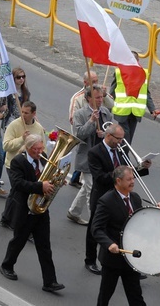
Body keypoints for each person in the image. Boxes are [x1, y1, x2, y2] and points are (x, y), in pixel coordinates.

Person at [0, 135, 64, 293]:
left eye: (41, 148)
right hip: (24, 209)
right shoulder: (18, 162)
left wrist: (58, 181)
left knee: (44, 246)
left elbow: (50, 177)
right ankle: (6, 265)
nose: (39, 152)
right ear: (27, 148)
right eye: (35, 150)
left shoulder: (43, 158)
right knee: (19, 241)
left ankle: (50, 281)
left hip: (41, 209)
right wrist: (40, 186)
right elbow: (17, 184)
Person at [87, 122, 151, 276]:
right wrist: (119, 175)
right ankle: (90, 260)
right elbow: (100, 177)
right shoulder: (95, 152)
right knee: (95, 228)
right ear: (108, 136)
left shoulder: (121, 151)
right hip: (102, 196)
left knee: (123, 228)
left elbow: (127, 174)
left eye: (122, 139)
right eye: (118, 139)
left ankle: (128, 263)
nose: (121, 142)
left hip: (120, 195)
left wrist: (141, 168)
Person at [92, 165, 157, 305]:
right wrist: (109, 244)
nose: (132, 182)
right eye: (129, 179)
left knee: (136, 296)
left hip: (131, 258)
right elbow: (96, 229)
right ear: (118, 181)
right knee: (105, 295)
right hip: (113, 259)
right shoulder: (106, 201)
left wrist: (158, 209)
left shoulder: (135, 198)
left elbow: (140, 222)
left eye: (133, 178)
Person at [69, 85, 112, 234]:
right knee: (91, 191)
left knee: (87, 187)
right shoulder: (80, 114)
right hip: (87, 158)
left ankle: (74, 212)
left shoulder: (106, 113)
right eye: (97, 97)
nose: (100, 100)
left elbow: (110, 134)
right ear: (88, 98)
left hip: (101, 158)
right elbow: (78, 134)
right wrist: (91, 122)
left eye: (101, 97)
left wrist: (105, 134)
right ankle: (96, 224)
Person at [0, 101, 46, 228]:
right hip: (14, 163)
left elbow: (43, 148)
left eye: (26, 113)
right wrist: (22, 139)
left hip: (31, 165)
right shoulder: (14, 125)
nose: (23, 115)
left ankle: (9, 217)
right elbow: (6, 146)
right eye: (22, 112)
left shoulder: (38, 128)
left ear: (33, 114)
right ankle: (11, 219)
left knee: (19, 191)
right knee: (17, 190)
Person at [109, 51, 159, 144]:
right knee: (125, 136)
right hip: (122, 110)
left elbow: (146, 93)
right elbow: (112, 91)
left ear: (137, 61)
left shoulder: (143, 73)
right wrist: (107, 106)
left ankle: (122, 155)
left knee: (129, 137)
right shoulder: (120, 72)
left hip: (135, 111)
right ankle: (124, 157)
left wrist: (152, 109)